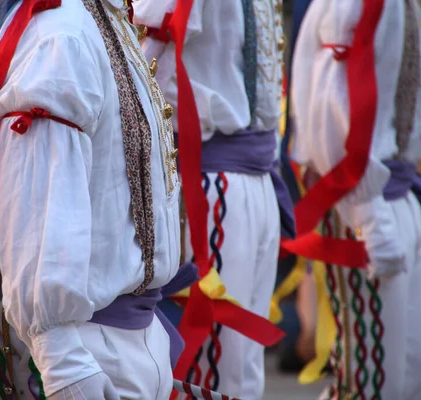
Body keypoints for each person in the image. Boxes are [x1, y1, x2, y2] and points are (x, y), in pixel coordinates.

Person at [0, 0, 195, 399]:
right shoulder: (61, 36)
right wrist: (64, 361)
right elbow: (41, 209)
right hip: (85, 346)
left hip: (118, 340)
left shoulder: (91, 21)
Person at [133, 1, 288, 399]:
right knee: (221, 369)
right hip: (211, 176)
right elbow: (147, 62)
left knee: (246, 367)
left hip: (257, 172)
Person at [291, 0, 421, 398]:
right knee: (369, 381)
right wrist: (368, 214)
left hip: (397, 194)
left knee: (412, 375)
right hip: (363, 200)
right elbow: (331, 108)